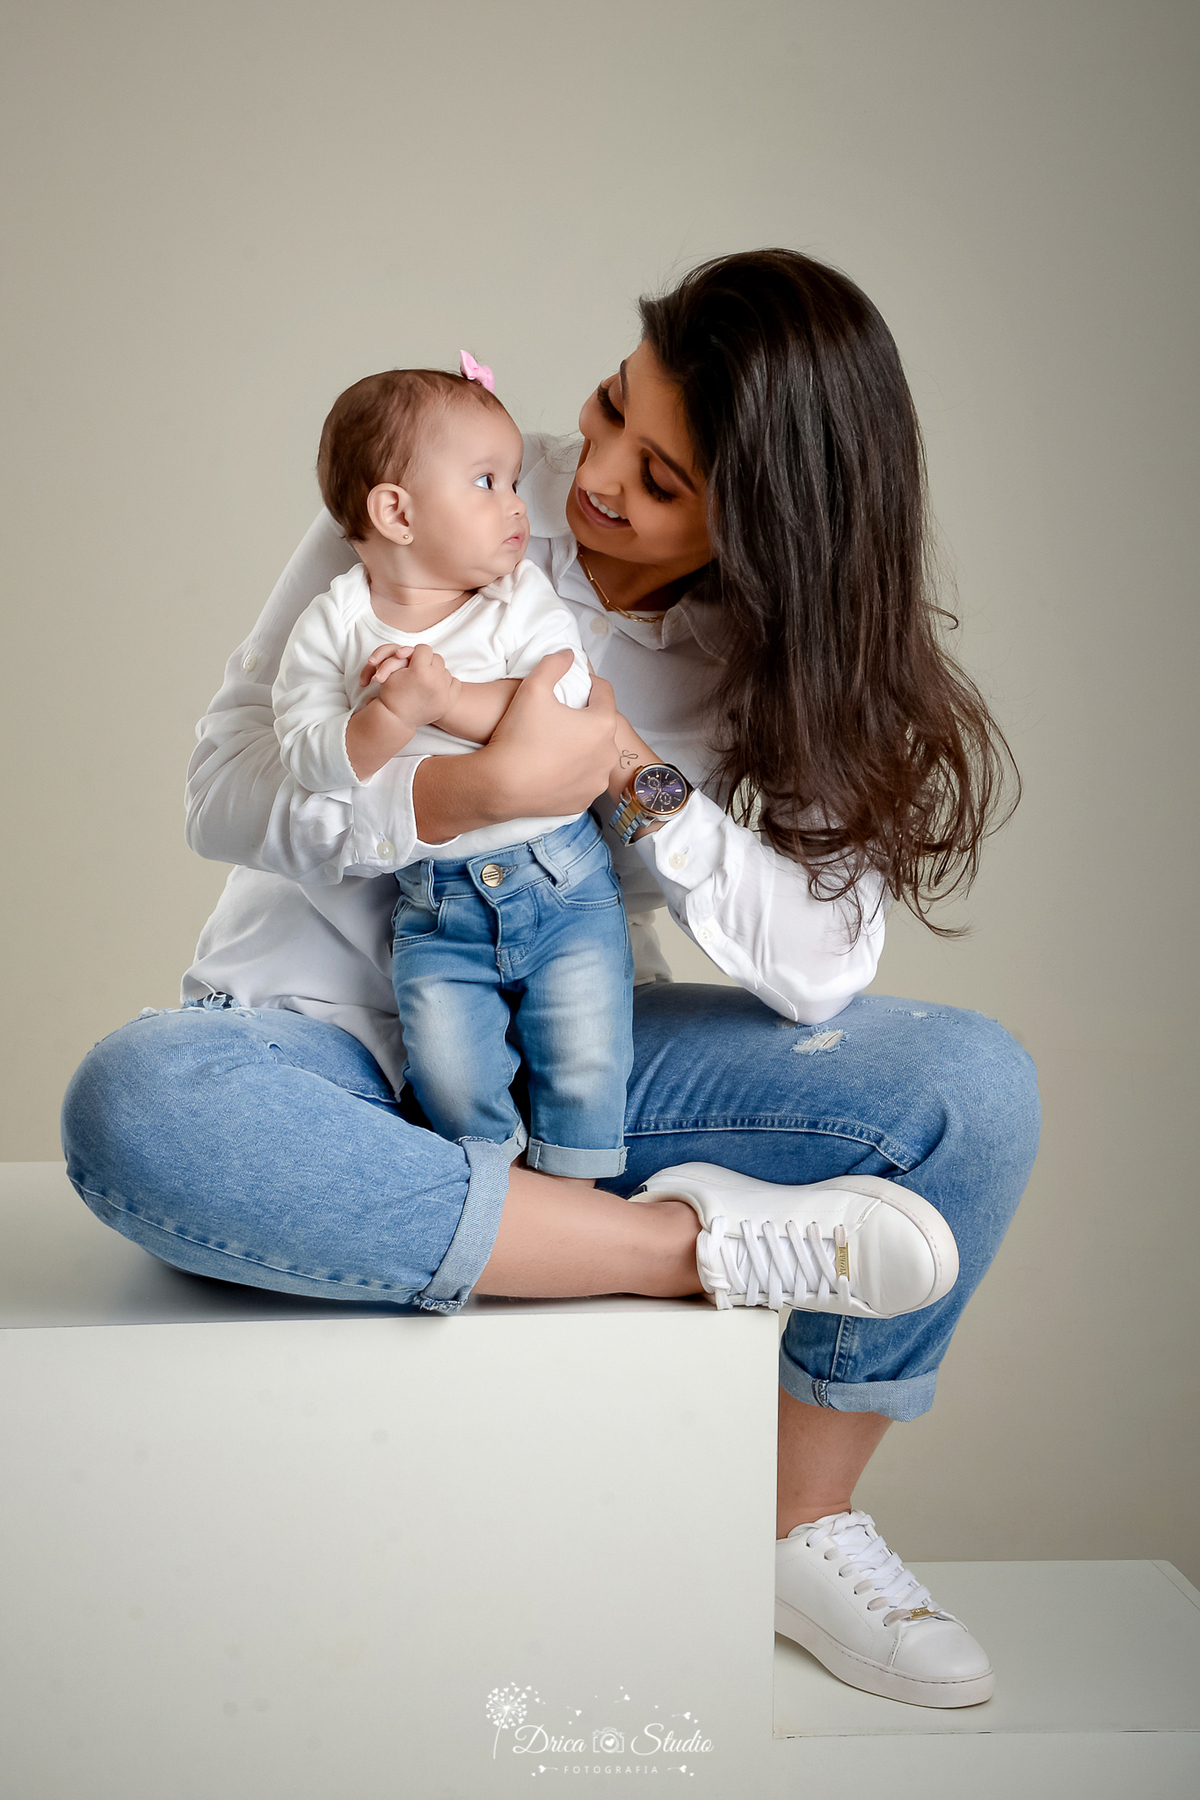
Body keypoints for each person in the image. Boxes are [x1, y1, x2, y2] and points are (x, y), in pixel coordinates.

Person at [61, 249, 1040, 1709]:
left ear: (764, 527)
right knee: (141, 1106)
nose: (593, 481)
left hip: (569, 1034)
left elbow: (828, 967)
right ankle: (689, 1248)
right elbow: (220, 792)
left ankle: (794, 1527)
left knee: (972, 1092)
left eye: (664, 479)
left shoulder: (772, 648)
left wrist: (626, 779)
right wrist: (461, 794)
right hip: (319, 1041)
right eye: (606, 412)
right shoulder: (441, 475)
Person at [272, 357, 632, 1179]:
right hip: (437, 903)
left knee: (586, 1052)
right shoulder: (334, 624)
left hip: (563, 882)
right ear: (396, 512)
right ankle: (494, 1194)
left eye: (511, 480)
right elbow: (307, 757)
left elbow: (566, 697)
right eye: (486, 480)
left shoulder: (517, 597)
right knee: (447, 1069)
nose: (517, 504)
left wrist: (443, 700)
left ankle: (583, 1189)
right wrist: (387, 717)